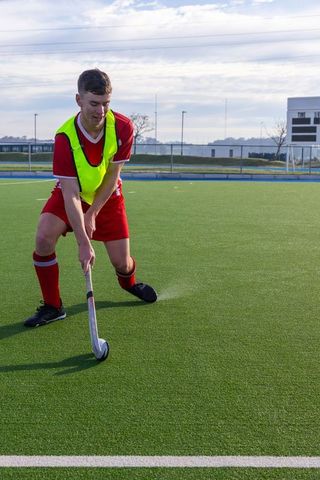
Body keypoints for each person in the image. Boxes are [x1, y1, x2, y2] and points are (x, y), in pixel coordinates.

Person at [24, 68, 157, 328]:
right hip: (73, 195)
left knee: (122, 262)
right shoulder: (65, 138)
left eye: (106, 103)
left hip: (107, 197)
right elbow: (70, 193)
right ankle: (53, 306)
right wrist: (84, 242)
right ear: (79, 100)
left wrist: (93, 213)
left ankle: (129, 282)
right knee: (43, 237)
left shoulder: (122, 127)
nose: (101, 111)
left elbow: (112, 176)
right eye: (94, 103)